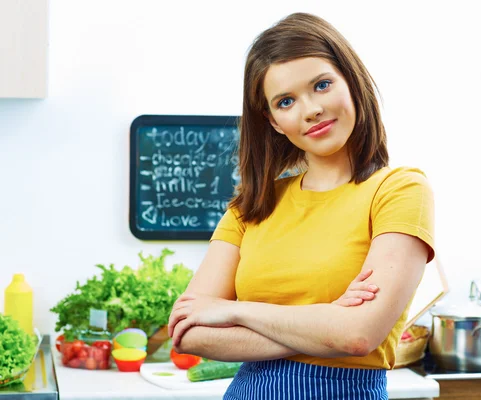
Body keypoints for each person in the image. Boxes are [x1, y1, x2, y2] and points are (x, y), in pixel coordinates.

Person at [167, 12, 435, 399]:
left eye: (322, 85)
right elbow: (189, 333)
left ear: (351, 82)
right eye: (286, 101)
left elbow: (359, 335)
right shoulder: (251, 208)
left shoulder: (400, 190)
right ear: (273, 121)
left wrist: (236, 311)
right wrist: (327, 326)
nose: (309, 110)